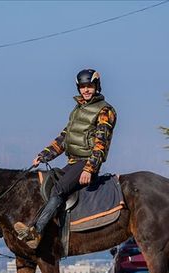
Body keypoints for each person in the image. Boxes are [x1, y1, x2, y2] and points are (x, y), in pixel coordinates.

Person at [14, 68, 117, 249]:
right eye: (82, 87)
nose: (86, 90)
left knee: (59, 189)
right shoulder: (78, 110)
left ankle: (37, 231)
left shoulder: (105, 110)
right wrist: (44, 154)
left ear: (97, 86)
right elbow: (64, 138)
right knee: (49, 184)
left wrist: (89, 168)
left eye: (89, 86)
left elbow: (101, 142)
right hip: (73, 162)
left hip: (86, 162)